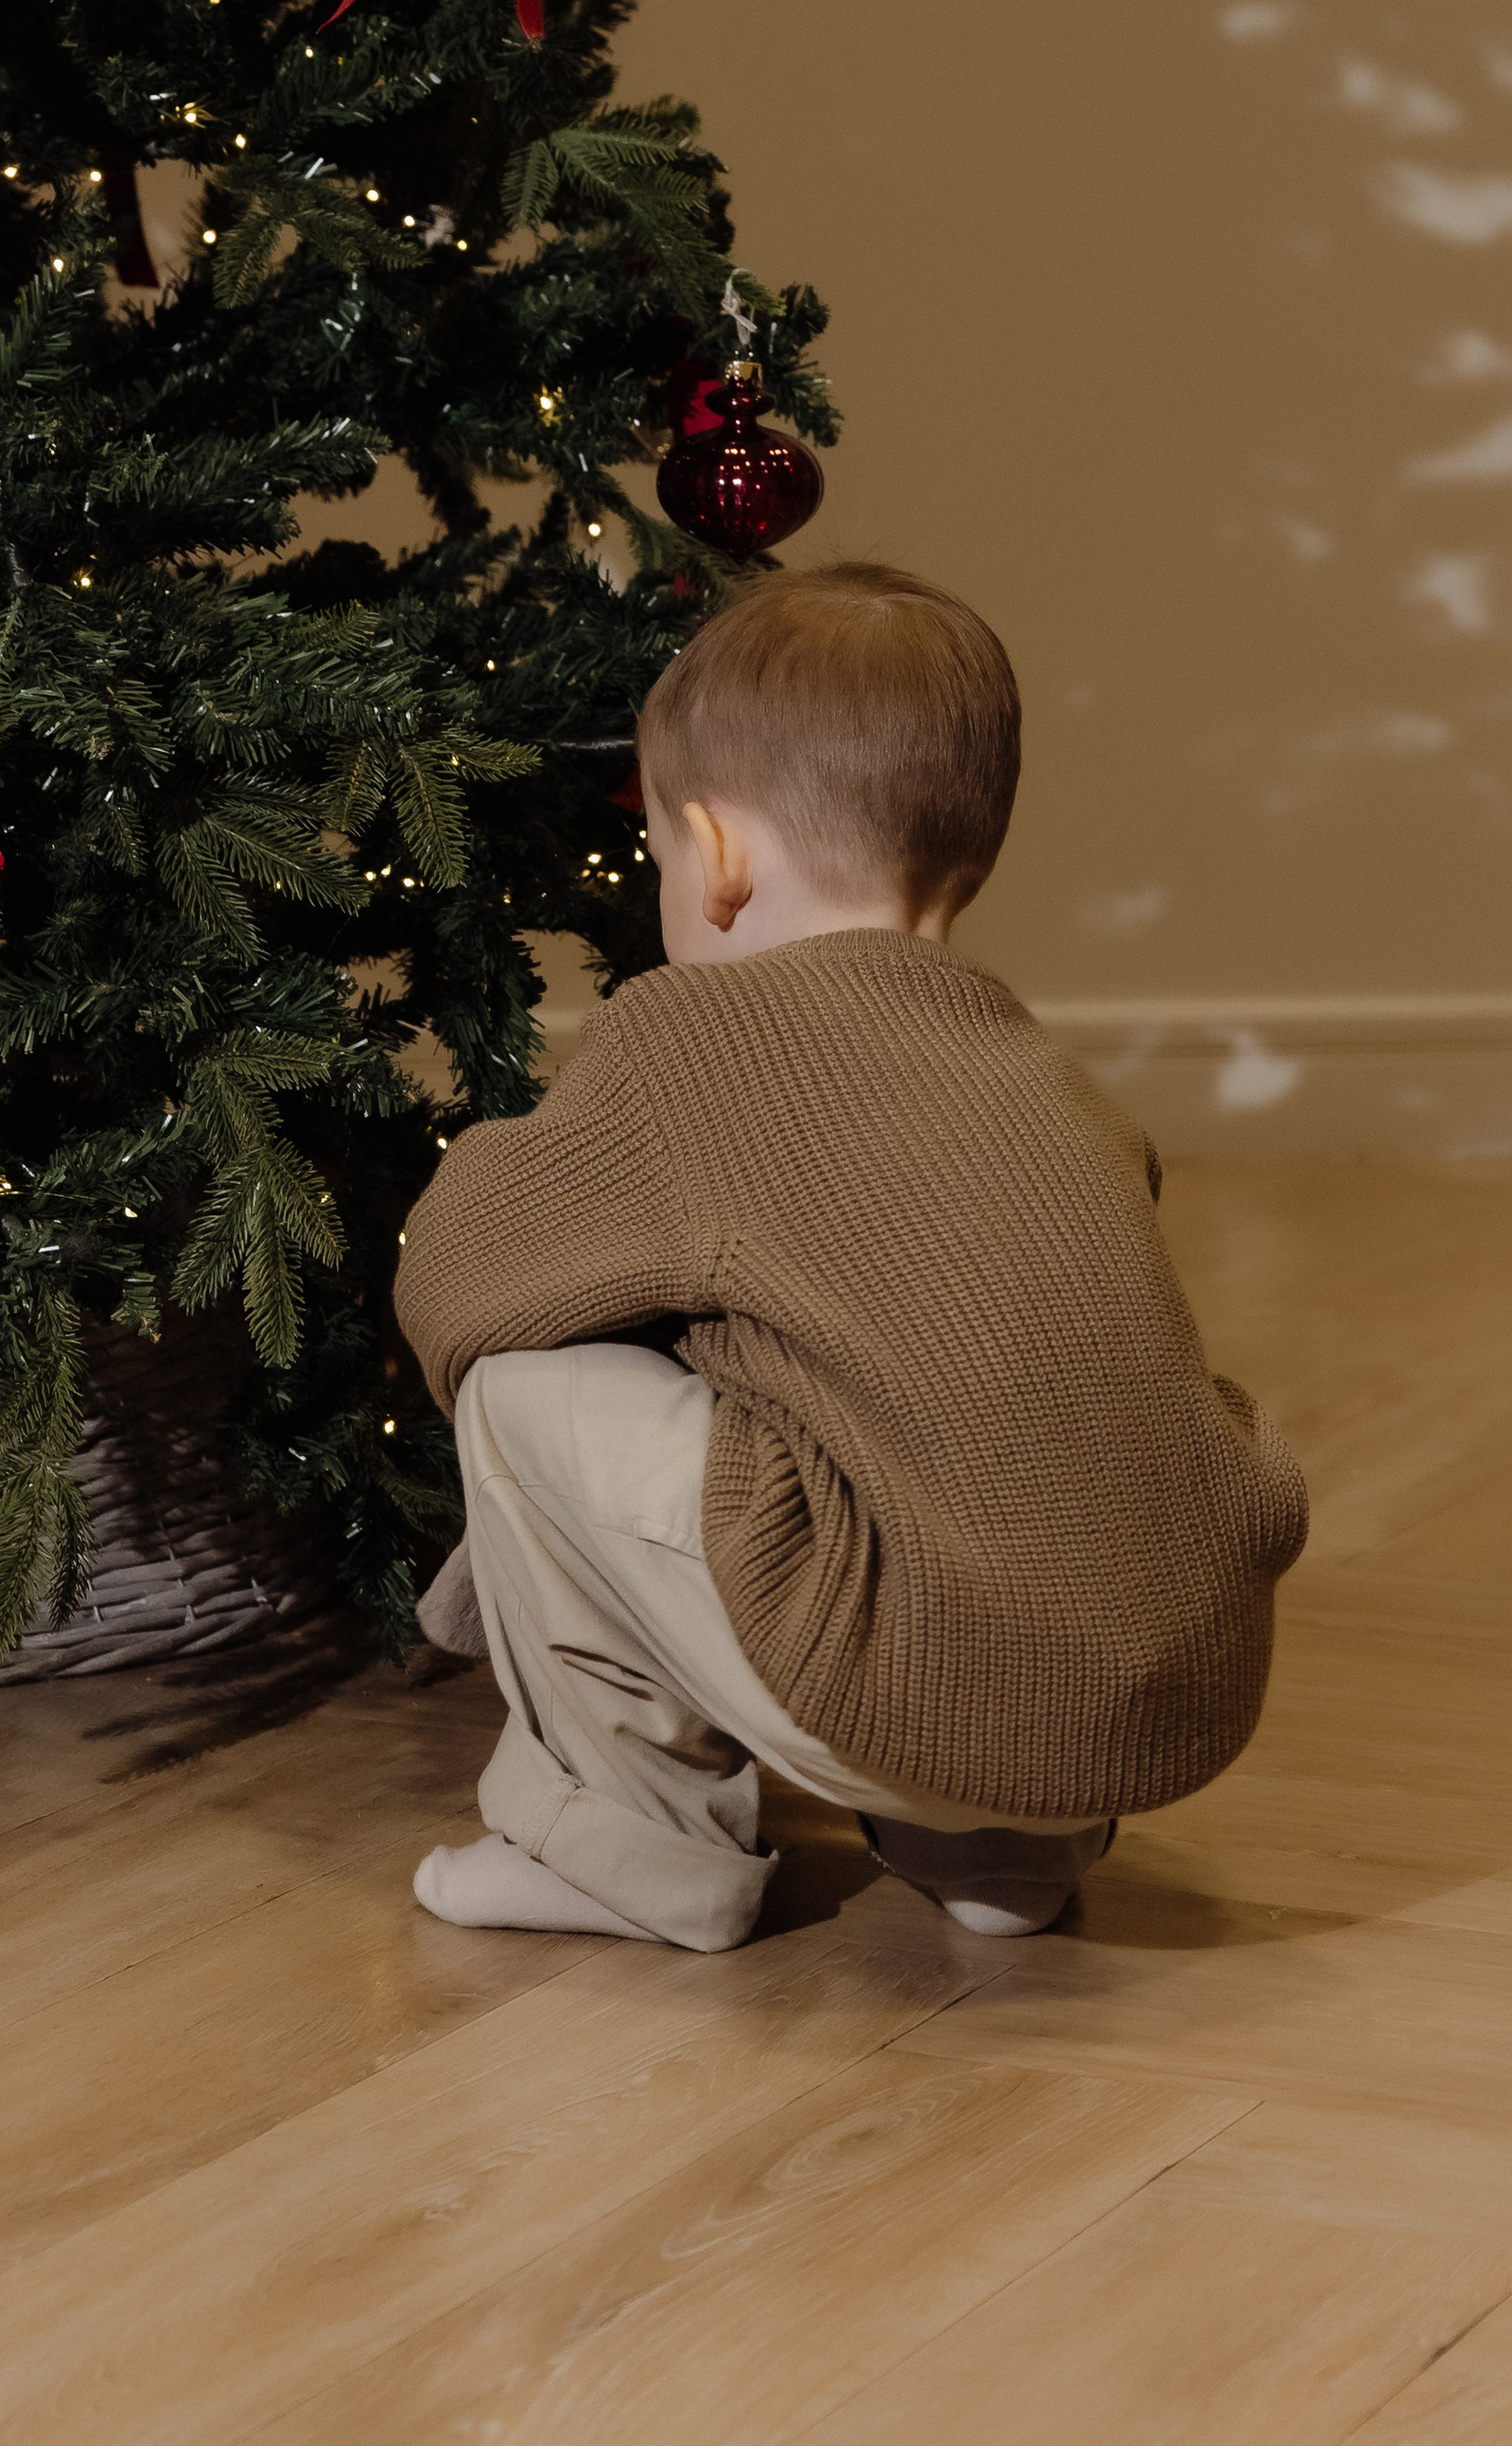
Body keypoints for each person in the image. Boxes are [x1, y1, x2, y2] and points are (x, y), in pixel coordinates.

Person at [395, 561, 1308, 1951]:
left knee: (527, 1389)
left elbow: (459, 1280)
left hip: (921, 1683)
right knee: (970, 1459)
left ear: (721, 855)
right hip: (1167, 1704)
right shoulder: (1051, 1081)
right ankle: (1004, 1847)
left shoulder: (688, 1044)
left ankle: (623, 1849)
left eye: (657, 858)